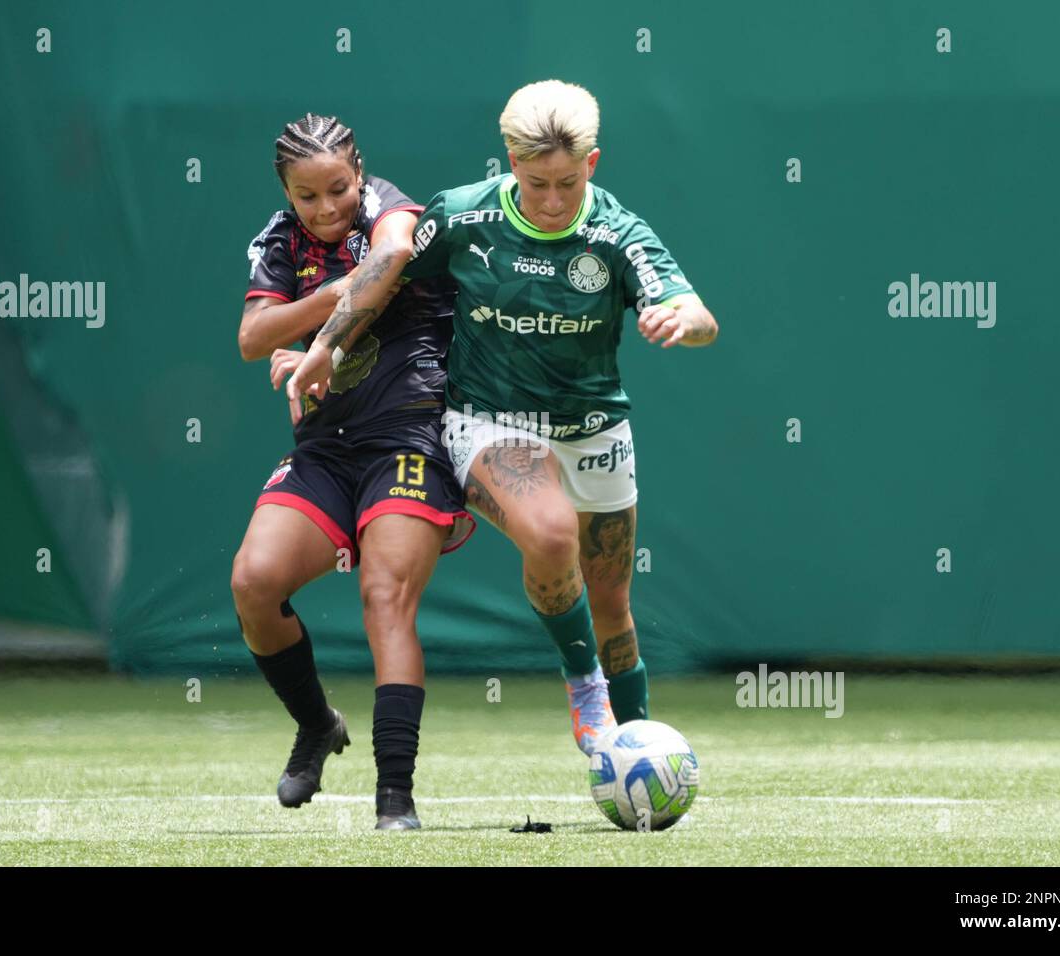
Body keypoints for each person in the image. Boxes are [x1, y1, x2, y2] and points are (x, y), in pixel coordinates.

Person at [289, 81, 718, 756]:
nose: (551, 201)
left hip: (595, 431)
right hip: (490, 423)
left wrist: (681, 320)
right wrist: (327, 344)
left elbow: (700, 316)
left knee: (611, 604)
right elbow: (385, 276)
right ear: (510, 162)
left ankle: (636, 756)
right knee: (549, 538)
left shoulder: (617, 232)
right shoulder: (460, 218)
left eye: (568, 184)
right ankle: (584, 688)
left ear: (593, 165)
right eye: (536, 180)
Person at [232, 113, 473, 829]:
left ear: (360, 174)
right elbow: (252, 338)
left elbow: (392, 256)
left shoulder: (391, 211)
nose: (328, 207)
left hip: (409, 439)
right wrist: (324, 301)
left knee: (384, 595)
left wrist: (315, 340)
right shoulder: (281, 241)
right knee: (254, 583)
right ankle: (316, 724)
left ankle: (393, 796)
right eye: (308, 196)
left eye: (339, 187)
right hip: (327, 447)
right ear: (287, 193)